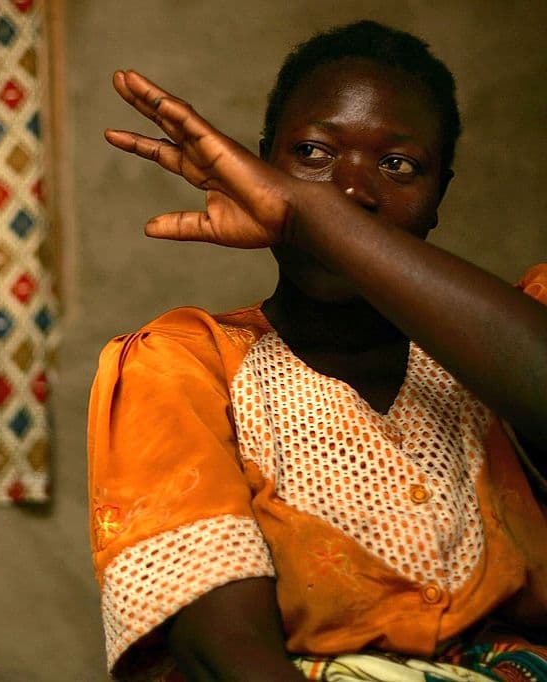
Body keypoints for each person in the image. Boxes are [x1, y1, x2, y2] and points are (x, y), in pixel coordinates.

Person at [87, 20, 547, 682]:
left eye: (398, 164)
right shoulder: (181, 364)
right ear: (260, 167)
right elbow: (222, 650)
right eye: (312, 154)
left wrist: (312, 216)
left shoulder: (515, 332)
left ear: (440, 195)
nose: (351, 191)